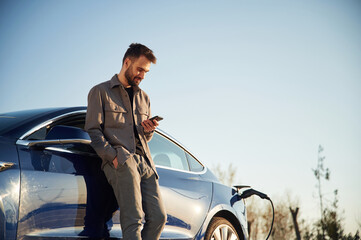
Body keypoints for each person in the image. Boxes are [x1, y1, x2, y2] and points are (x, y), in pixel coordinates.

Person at [85, 43, 167, 240]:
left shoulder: (144, 98)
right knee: (134, 218)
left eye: (146, 71)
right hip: (121, 159)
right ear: (126, 62)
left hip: (145, 161)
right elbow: (93, 130)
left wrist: (148, 131)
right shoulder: (100, 91)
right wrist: (112, 157)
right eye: (140, 69)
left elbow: (142, 136)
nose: (142, 75)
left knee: (159, 217)